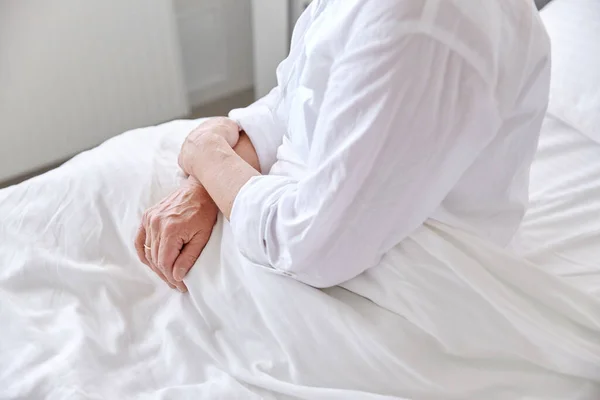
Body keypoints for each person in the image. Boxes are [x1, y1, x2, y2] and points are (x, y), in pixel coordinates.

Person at [135, 0, 550, 293]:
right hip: (299, 217)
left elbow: (315, 249)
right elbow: (297, 97)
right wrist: (208, 183)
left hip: (398, 283)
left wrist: (207, 157)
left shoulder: (424, 19)